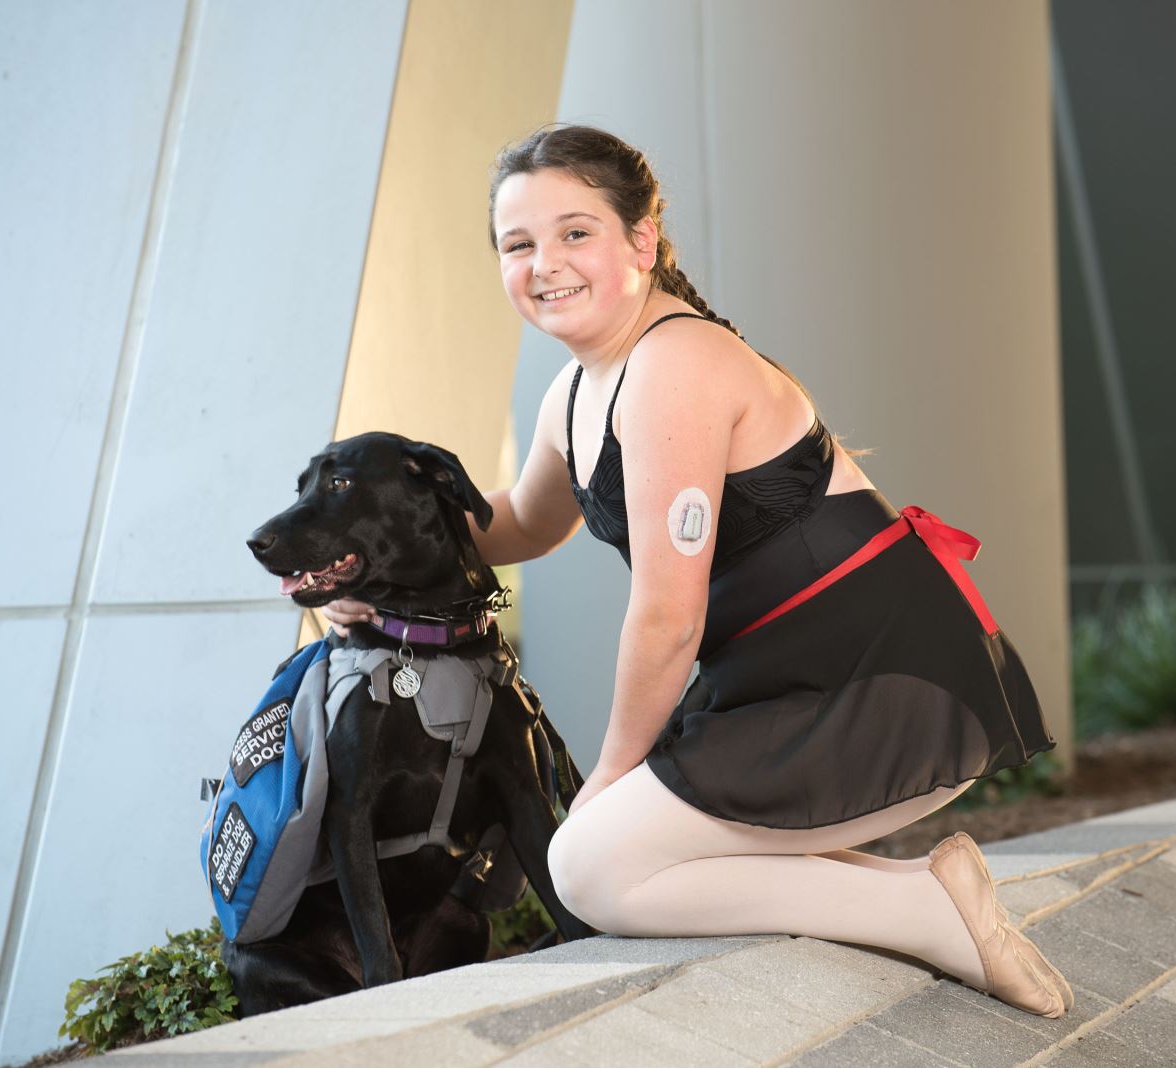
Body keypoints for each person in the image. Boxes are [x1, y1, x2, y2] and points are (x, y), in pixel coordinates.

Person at [323, 124, 1072, 1017]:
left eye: (574, 232)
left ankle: (920, 910)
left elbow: (668, 616)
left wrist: (610, 775)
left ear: (640, 241)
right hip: (778, 688)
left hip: (877, 683)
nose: (544, 263)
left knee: (592, 866)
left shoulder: (675, 362)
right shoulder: (575, 390)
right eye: (517, 244)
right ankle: (927, 896)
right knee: (618, 857)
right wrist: (365, 572)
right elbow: (521, 521)